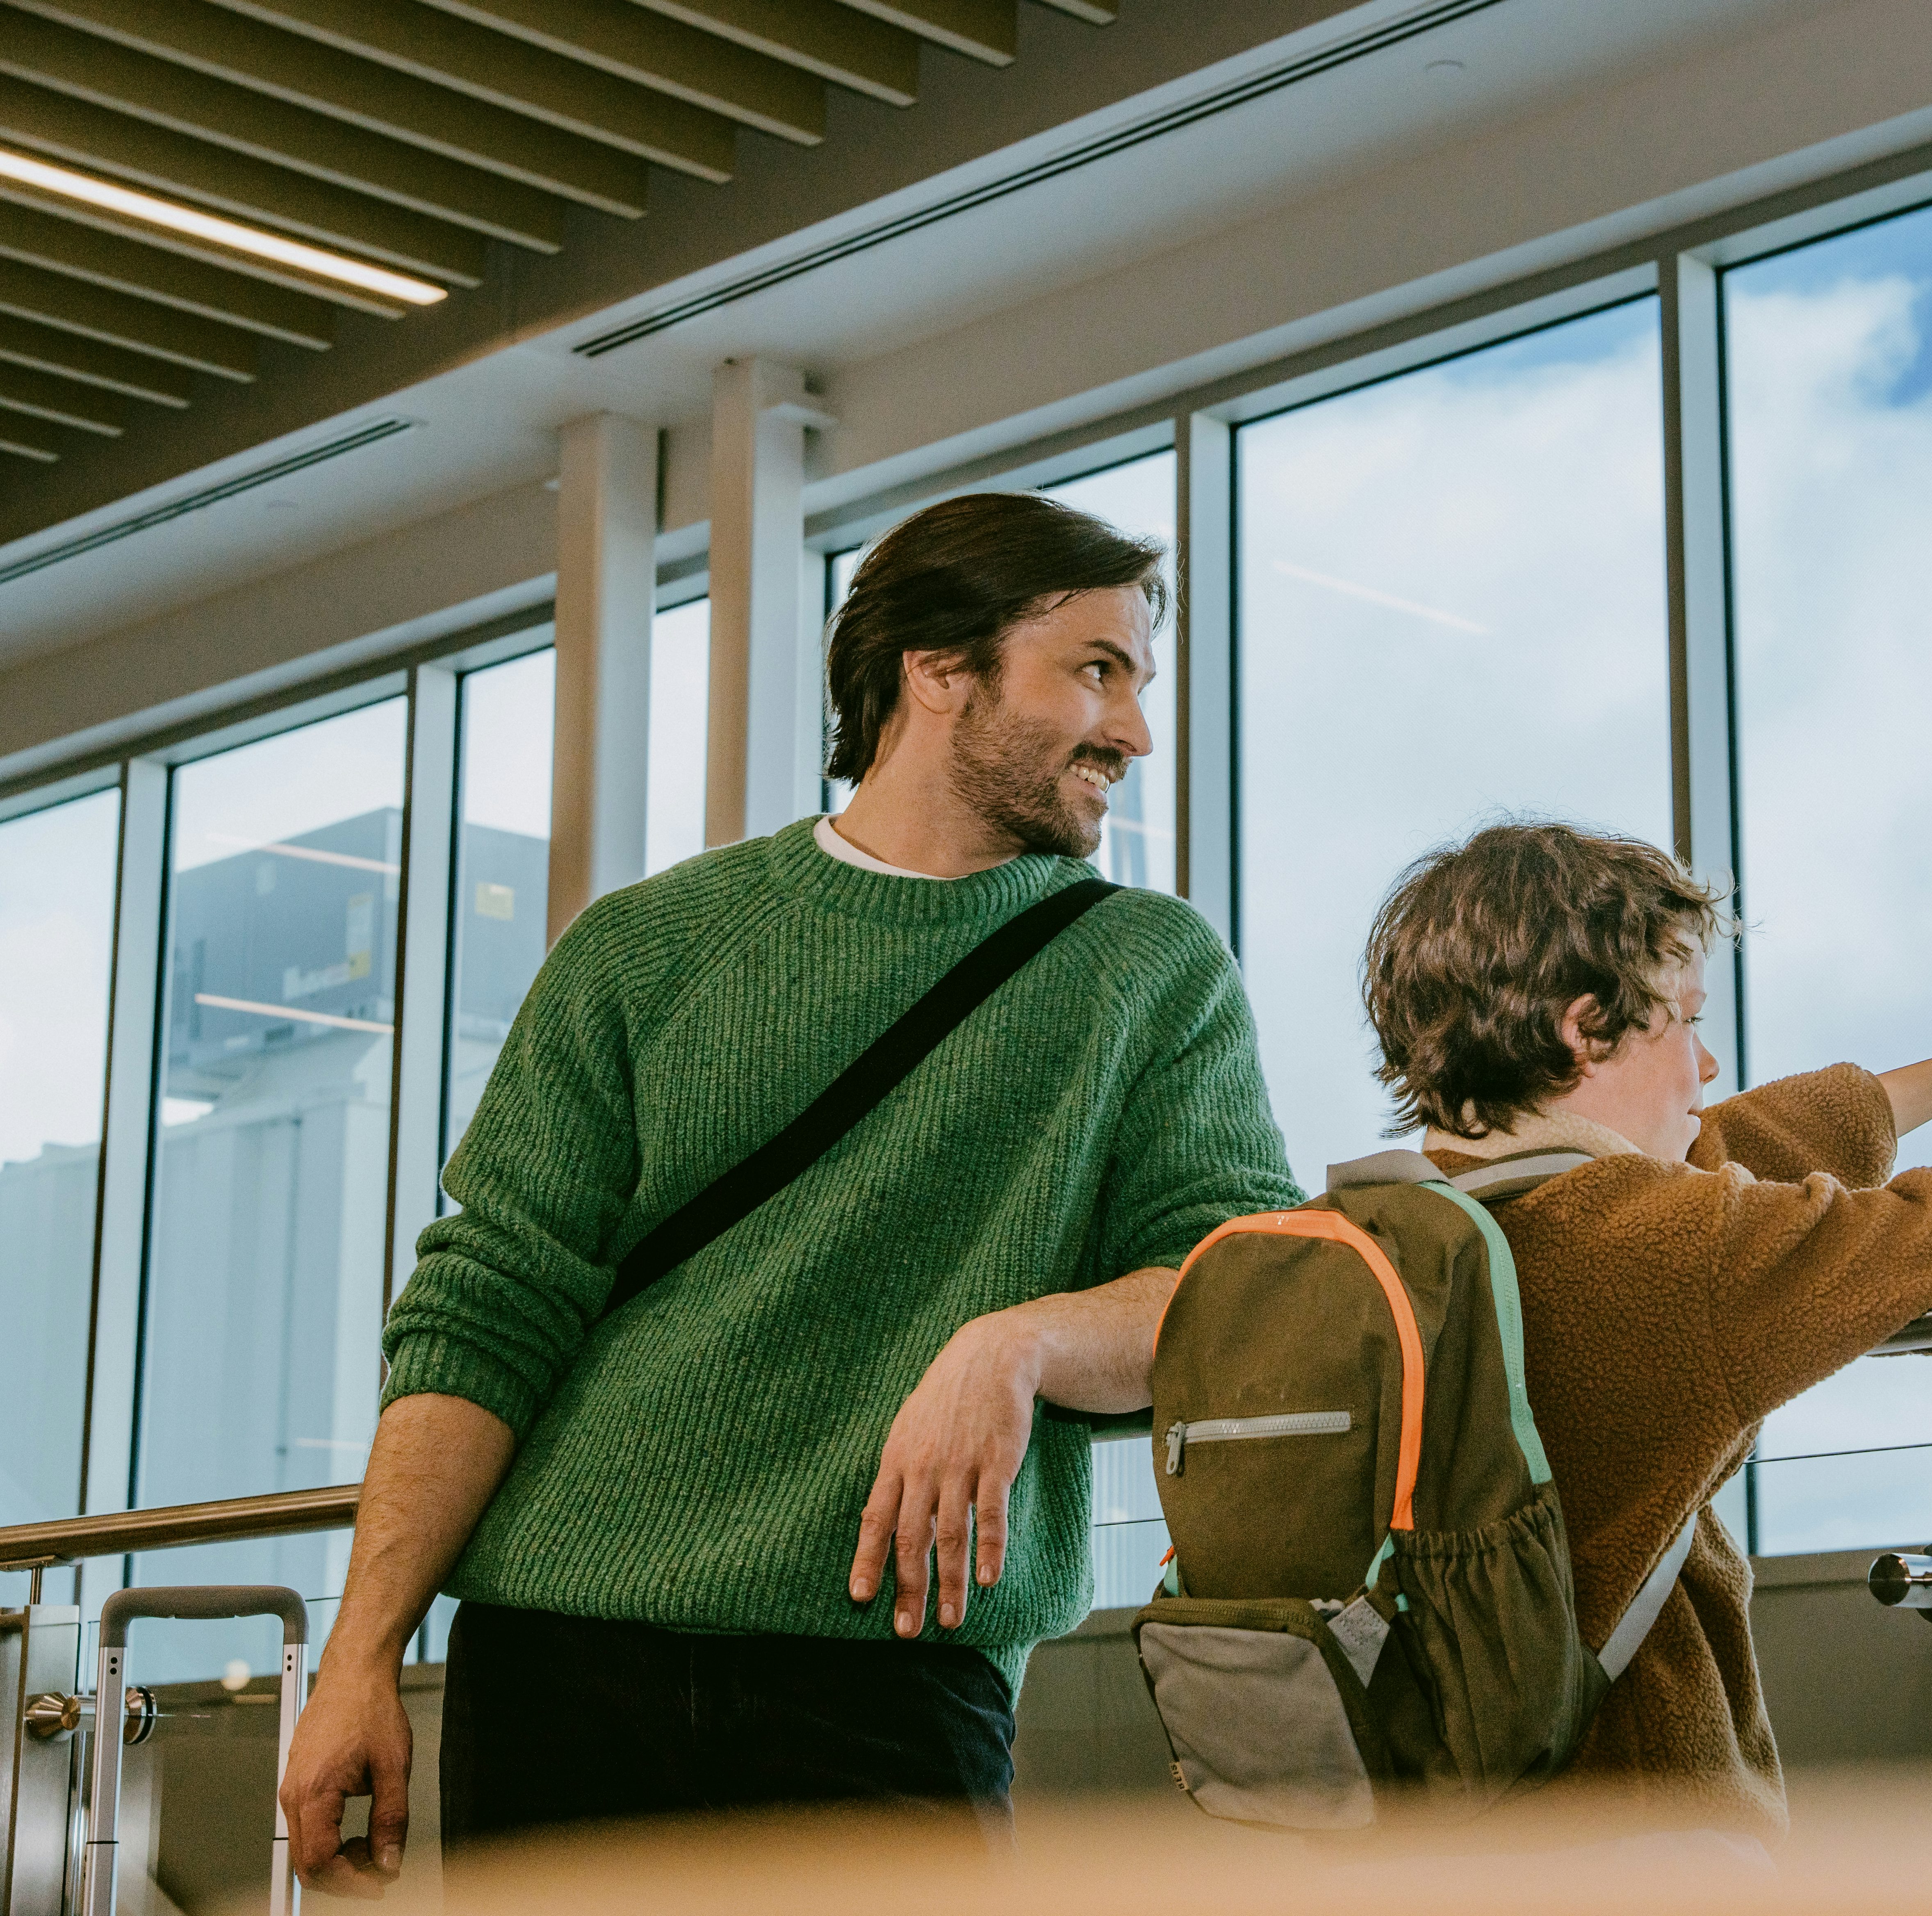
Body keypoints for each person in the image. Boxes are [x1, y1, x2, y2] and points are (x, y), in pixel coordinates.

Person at [279, 493, 1299, 1891]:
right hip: (558, 1666)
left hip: (886, 1691)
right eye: (1094, 668)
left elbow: (1228, 1288)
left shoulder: (1147, 970)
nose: (1132, 731)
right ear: (936, 670)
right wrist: (358, 1661)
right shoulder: (645, 947)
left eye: (1135, 681)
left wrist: (1020, 1340)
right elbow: (485, 1307)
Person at [1361, 820, 1932, 1845]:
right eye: (1683, 1020)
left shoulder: (1401, 1224)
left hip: (1418, 1839)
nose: (1707, 1061)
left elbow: (1726, 1144)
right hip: (1641, 1844)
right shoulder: (1669, 1256)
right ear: (1580, 1029)